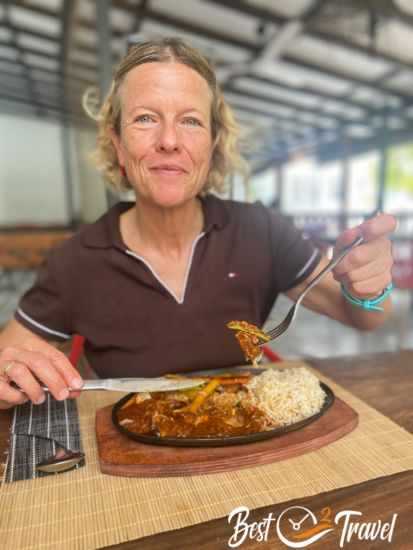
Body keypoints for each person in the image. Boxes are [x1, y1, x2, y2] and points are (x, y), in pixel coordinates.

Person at [0, 37, 396, 410]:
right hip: (130, 463)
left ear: (213, 143)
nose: (169, 140)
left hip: (246, 441)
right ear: (118, 142)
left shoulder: (262, 231)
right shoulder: (75, 261)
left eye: (190, 121)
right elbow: (6, 370)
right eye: (145, 119)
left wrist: (370, 286)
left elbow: (364, 317)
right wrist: (9, 375)